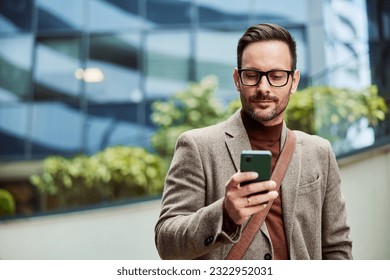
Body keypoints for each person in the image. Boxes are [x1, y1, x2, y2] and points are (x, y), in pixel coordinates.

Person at [154, 23, 352, 260]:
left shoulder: (320, 151)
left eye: (277, 76)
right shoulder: (197, 146)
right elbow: (166, 242)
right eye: (252, 75)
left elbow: (337, 247)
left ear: (294, 81)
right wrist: (224, 214)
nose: (263, 88)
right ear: (237, 79)